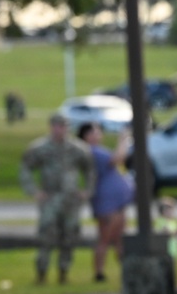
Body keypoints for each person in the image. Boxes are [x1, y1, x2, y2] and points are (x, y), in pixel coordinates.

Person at [19, 113, 94, 285]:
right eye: (56, 126)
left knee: (70, 236)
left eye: (63, 126)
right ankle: (41, 273)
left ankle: (64, 272)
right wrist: (34, 191)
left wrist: (87, 190)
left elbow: (89, 169)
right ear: (51, 127)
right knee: (46, 237)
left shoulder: (77, 149)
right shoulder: (40, 148)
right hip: (50, 198)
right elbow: (26, 168)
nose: (59, 130)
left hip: (70, 198)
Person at [78, 122, 133, 282]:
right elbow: (118, 158)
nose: (98, 135)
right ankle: (99, 272)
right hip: (107, 202)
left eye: (98, 132)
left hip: (116, 201)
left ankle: (126, 270)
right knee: (105, 237)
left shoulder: (97, 151)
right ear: (85, 136)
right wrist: (123, 140)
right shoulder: (92, 151)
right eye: (93, 132)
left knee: (120, 238)